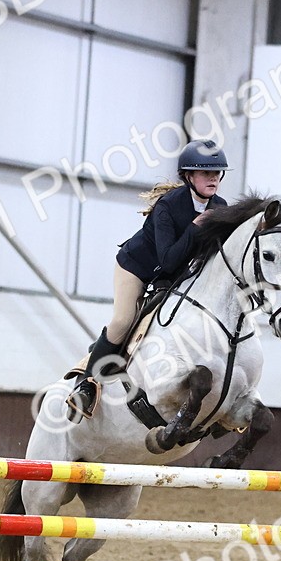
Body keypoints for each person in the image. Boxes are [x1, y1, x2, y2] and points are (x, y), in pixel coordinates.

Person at [66, 139, 230, 419]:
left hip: (175, 277)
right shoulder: (169, 206)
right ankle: (86, 386)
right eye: (206, 173)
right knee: (123, 320)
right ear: (189, 176)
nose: (213, 178)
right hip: (138, 268)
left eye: (217, 173)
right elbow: (167, 259)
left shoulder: (220, 206)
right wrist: (194, 227)